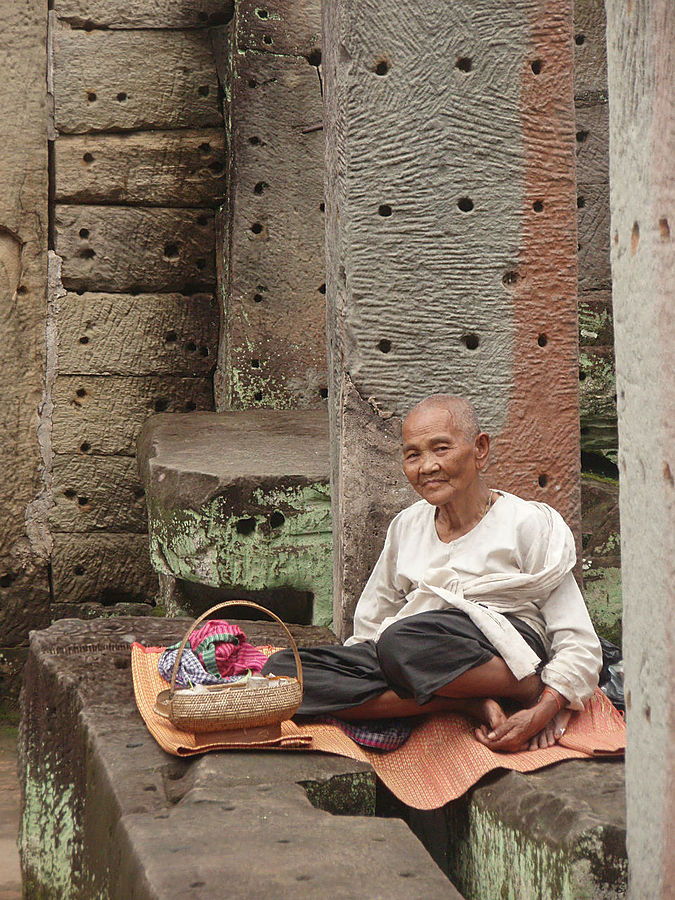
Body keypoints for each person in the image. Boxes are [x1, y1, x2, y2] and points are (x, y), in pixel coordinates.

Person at [263, 394, 603, 752]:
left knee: (401, 644)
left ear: (480, 449)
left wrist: (545, 707)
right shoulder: (406, 527)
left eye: (441, 449)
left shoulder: (527, 524)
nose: (427, 467)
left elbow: (579, 640)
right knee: (282, 673)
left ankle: (525, 688)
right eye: (413, 455)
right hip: (412, 652)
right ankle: (464, 701)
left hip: (501, 650)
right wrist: (354, 670)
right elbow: (369, 629)